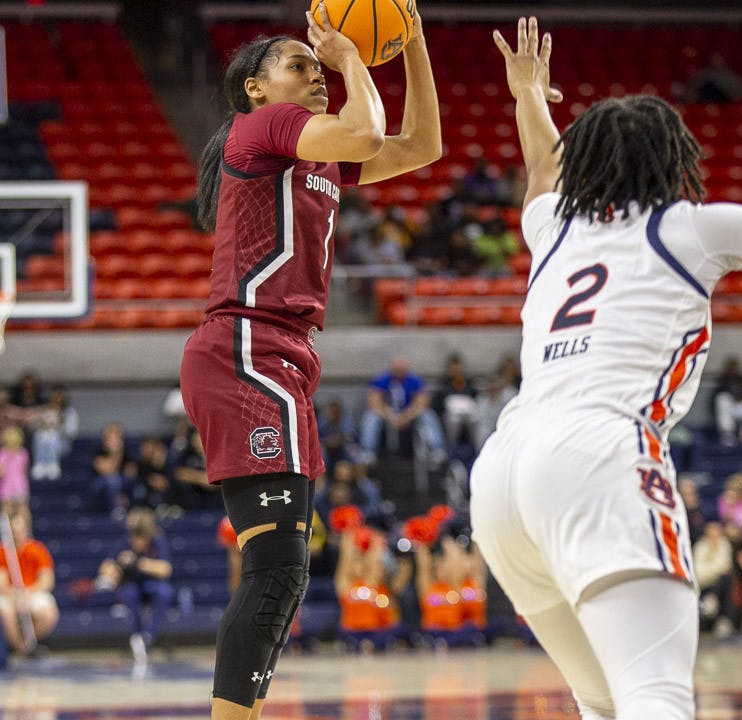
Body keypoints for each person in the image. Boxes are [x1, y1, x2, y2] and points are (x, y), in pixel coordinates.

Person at [469, 17, 742, 720]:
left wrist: (529, 98)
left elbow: (543, 170)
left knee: (603, 702)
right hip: (599, 452)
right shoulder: (698, 225)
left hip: (503, 474)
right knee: (656, 696)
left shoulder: (552, 230)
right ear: (672, 160)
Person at [178, 7, 440, 718]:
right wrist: (353, 53)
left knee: (282, 569)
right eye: (299, 64)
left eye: (317, 63)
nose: (317, 70)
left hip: (279, 355)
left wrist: (411, 44)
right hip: (246, 347)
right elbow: (365, 128)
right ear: (254, 89)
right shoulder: (260, 128)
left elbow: (422, 143)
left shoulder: (316, 153)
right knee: (276, 568)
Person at [95, 507, 173, 663]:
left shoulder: (157, 542)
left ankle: (147, 636)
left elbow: (165, 569)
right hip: (131, 584)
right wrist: (115, 567)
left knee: (164, 593)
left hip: (152, 584)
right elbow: (106, 566)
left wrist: (138, 563)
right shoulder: (125, 542)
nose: (136, 542)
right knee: (129, 594)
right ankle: (137, 635)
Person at [358, 355, 446, 466]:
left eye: (402, 370)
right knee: (371, 417)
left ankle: (436, 450)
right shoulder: (382, 379)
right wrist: (391, 416)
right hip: (387, 417)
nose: (399, 372)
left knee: (427, 415)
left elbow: (422, 402)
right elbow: (374, 402)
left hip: (410, 417)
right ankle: (367, 452)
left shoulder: (414, 380)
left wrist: (406, 417)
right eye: (397, 370)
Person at [0, 507, 59, 653]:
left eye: (20, 530)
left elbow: (47, 580)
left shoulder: (37, 550)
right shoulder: (3, 551)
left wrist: (28, 593)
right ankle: (19, 647)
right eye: (14, 531)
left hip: (32, 592)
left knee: (48, 611)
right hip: (10, 594)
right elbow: (1, 582)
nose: (17, 534)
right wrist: (15, 595)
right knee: (4, 610)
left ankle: (28, 645)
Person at [692, 521, 734, 637]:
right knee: (721, 577)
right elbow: (698, 572)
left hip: (718, 586)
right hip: (703, 585)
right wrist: (716, 568)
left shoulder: (724, 544)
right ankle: (711, 599)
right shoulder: (700, 546)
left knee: (726, 579)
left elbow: (725, 565)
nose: (714, 536)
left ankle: (723, 618)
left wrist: (710, 569)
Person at [0, 426, 30, 515]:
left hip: (7, 486)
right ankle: (25, 528)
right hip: (20, 485)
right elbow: (25, 471)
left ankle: (6, 529)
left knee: (7, 512)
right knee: (22, 512)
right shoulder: (23, 453)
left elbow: (1, 472)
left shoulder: (2, 454)